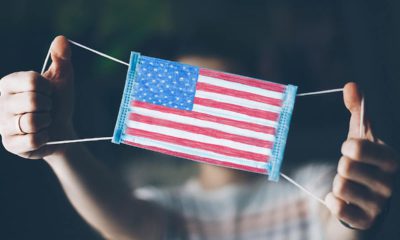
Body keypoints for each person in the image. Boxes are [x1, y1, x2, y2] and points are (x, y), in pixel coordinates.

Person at [0, 36, 398, 240]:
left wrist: (354, 213)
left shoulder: (313, 187)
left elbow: (339, 221)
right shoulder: (169, 210)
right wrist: (59, 147)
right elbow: (123, 220)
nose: (211, 115)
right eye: (188, 100)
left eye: (226, 95)